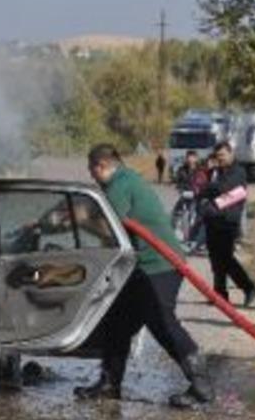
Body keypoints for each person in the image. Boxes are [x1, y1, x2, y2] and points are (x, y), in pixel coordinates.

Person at [72, 143, 212, 409]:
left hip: (159, 264)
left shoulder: (119, 184)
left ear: (100, 165)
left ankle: (201, 385)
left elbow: (111, 230)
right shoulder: (126, 179)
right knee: (118, 322)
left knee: (163, 324)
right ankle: (110, 383)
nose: (91, 176)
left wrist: (81, 222)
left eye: (92, 170)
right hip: (143, 267)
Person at [200, 141, 255, 306]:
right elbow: (205, 189)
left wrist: (210, 188)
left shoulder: (238, 171)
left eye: (223, 155)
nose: (220, 159)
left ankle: (248, 287)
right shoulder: (216, 171)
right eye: (217, 156)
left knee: (225, 259)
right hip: (213, 220)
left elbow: (225, 188)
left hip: (228, 220)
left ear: (231, 153)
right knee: (215, 259)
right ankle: (220, 294)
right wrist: (209, 189)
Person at [171, 150, 200, 245]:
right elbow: (178, 181)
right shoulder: (182, 169)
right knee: (177, 213)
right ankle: (175, 233)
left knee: (192, 216)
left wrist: (197, 191)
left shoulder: (200, 170)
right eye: (188, 157)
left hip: (196, 197)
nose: (190, 159)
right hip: (184, 195)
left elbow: (202, 183)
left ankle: (190, 237)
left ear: (196, 158)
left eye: (192, 157)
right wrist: (180, 188)